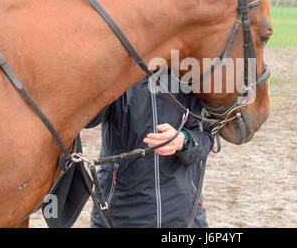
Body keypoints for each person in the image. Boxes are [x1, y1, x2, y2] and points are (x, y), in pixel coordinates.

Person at [85, 68, 214, 228]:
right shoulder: (118, 72)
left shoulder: (187, 75)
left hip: (184, 215)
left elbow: (206, 138)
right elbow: (86, 118)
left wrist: (184, 140)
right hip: (120, 214)